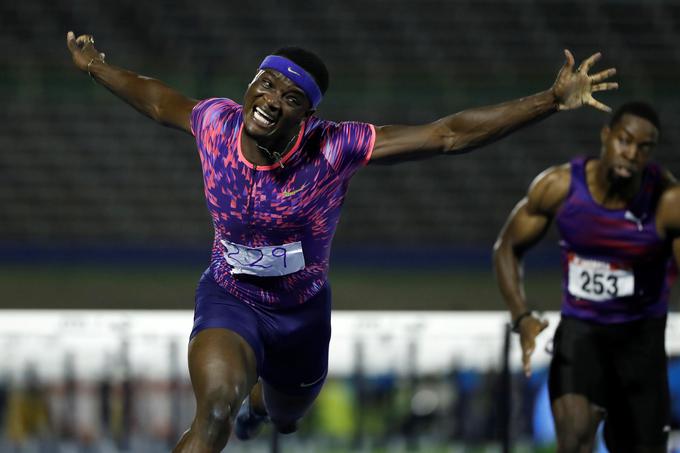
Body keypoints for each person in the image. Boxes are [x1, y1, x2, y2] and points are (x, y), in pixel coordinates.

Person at [66, 30, 617, 453]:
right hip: (230, 299)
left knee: (284, 415)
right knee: (213, 414)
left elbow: (447, 135)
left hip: (301, 316)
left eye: (290, 96)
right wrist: (95, 66)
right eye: (266, 82)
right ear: (250, 84)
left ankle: (261, 410)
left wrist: (549, 100)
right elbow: (158, 100)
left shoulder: (335, 148)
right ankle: (242, 405)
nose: (271, 99)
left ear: (308, 115)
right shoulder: (215, 123)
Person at [493, 101, 680, 453]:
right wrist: (521, 316)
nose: (631, 154)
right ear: (606, 136)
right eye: (624, 141)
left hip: (641, 339)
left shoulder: (667, 203)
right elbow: (507, 246)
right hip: (582, 333)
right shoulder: (559, 187)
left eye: (644, 148)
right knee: (574, 439)